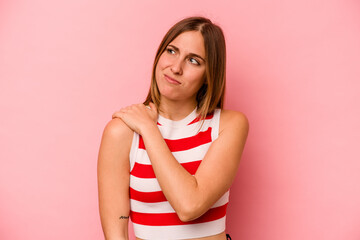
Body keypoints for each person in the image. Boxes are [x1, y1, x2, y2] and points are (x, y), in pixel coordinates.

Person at [97, 16, 249, 240]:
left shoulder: (228, 125)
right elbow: (116, 232)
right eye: (171, 51)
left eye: (193, 60)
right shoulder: (121, 132)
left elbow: (189, 205)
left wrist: (149, 129)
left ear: (209, 75)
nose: (175, 67)